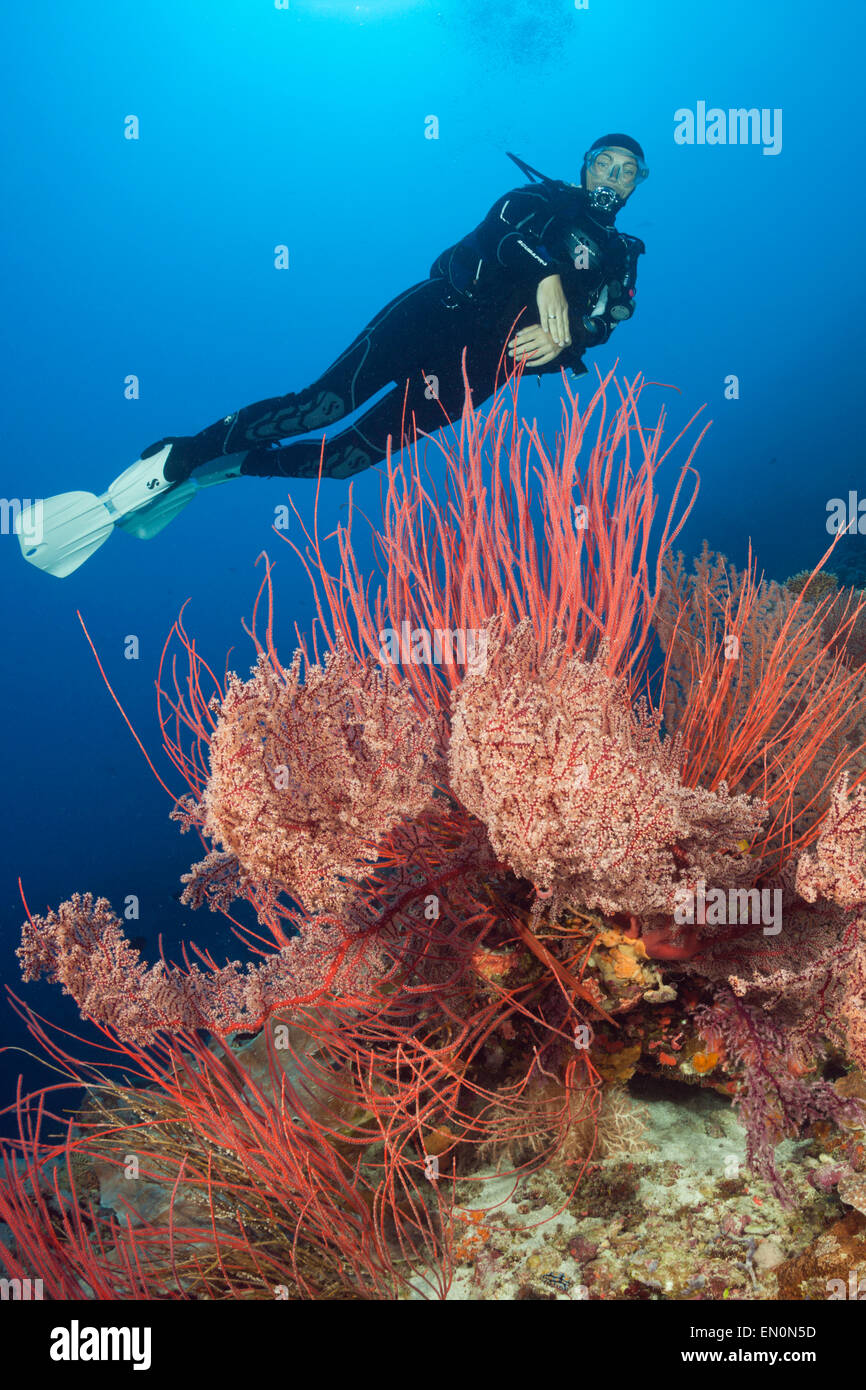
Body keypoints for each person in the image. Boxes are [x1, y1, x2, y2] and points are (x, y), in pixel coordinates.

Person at [17, 135, 648, 577]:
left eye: (629, 171)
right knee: (321, 406)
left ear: (637, 184)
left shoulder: (622, 258)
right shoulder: (538, 201)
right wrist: (545, 280)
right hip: (436, 313)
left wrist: (571, 337)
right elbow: (500, 235)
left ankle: (231, 468)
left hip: (478, 370)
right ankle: (184, 453)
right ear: (585, 164)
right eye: (605, 163)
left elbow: (602, 327)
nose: (613, 178)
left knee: (349, 461)